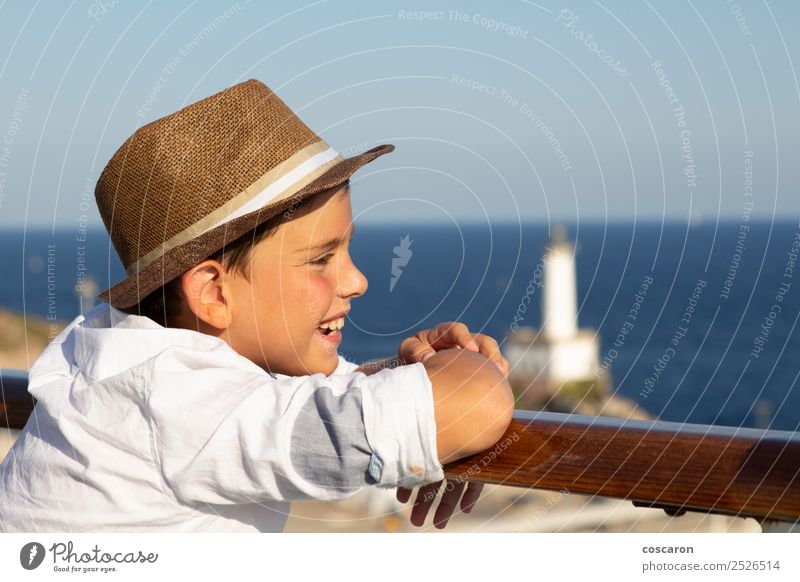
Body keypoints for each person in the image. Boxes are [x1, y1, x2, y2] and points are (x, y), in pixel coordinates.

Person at [0, 79, 513, 532]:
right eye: (321, 259)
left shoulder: (118, 355)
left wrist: (401, 374)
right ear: (213, 294)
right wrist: (459, 379)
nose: (357, 280)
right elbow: (476, 406)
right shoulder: (186, 407)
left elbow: (289, 403)